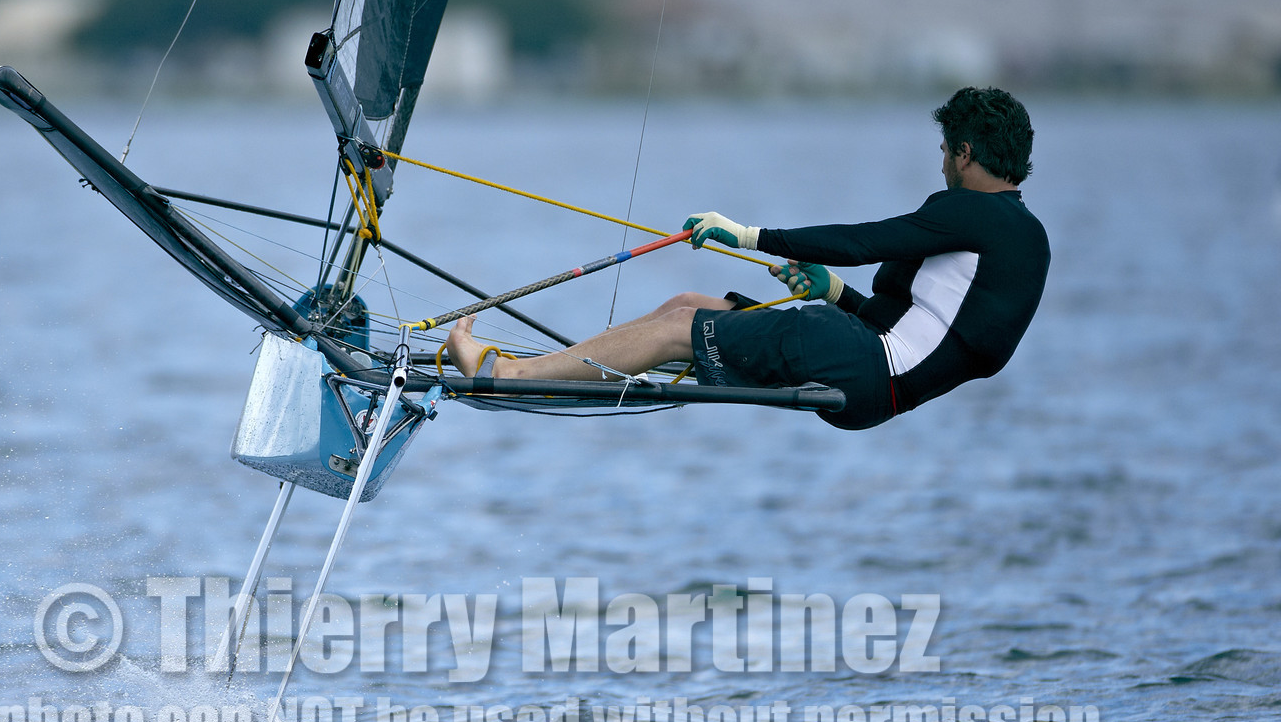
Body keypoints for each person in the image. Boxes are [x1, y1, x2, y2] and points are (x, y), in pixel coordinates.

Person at [445, 87, 1050, 430]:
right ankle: (555, 370)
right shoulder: (1020, 238)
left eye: (946, 151)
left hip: (866, 369)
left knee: (679, 329)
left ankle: (509, 378)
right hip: (871, 376)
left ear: (966, 154)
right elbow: (931, 338)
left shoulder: (977, 212)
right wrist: (836, 294)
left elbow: (867, 241)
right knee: (686, 307)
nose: (941, 164)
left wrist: (750, 236)